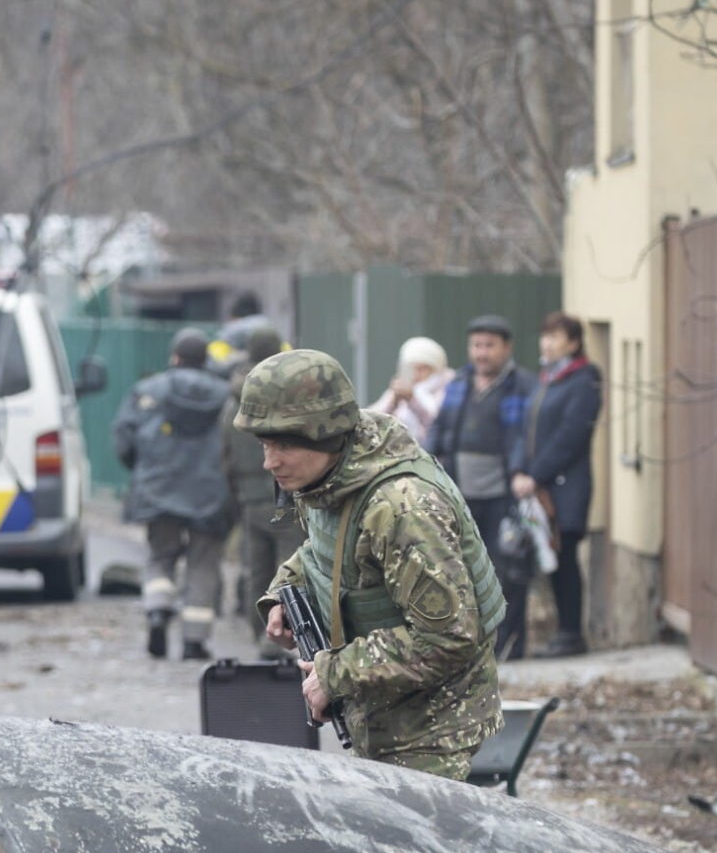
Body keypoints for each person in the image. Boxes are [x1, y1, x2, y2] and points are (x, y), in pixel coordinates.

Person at [240, 348, 504, 780]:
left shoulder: (402, 508)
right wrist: (283, 593)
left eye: (284, 444)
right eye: (265, 444)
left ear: (323, 434)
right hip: (381, 712)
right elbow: (326, 552)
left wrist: (334, 674)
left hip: (431, 730)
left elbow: (448, 638)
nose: (269, 462)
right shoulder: (332, 477)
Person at [114, 327, 233, 659]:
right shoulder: (226, 397)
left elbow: (124, 438)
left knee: (160, 555)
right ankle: (194, 641)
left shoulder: (147, 390)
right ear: (205, 360)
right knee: (202, 563)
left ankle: (157, 607)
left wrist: (142, 471)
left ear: (175, 358)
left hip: (159, 488)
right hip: (210, 493)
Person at [426, 313, 538, 660]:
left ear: (506, 348)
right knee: (462, 570)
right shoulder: (459, 382)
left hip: (504, 495)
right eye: (476, 345)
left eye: (489, 345)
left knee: (507, 571)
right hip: (461, 494)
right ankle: (471, 644)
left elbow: (527, 438)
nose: (482, 353)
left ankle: (510, 645)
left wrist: (521, 471)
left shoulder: (523, 386)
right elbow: (440, 430)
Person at [516, 312, 603, 658]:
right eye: (545, 336)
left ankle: (571, 634)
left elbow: (571, 436)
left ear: (574, 342)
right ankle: (562, 632)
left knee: (565, 557)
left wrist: (535, 474)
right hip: (540, 486)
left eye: (555, 337)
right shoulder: (548, 379)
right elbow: (528, 432)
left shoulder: (584, 379)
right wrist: (522, 471)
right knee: (551, 558)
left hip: (566, 486)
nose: (546, 343)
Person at [218, 323, 301, 653]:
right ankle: (284, 638)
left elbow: (224, 453)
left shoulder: (233, 400)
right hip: (287, 495)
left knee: (256, 568)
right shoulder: (287, 397)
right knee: (291, 566)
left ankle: (259, 635)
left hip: (249, 496)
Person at [368, 337, 454, 449]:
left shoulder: (447, 389)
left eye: (423, 369)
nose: (417, 374)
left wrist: (412, 400)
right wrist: (394, 401)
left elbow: (437, 425)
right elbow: (373, 421)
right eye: (412, 368)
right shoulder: (400, 389)